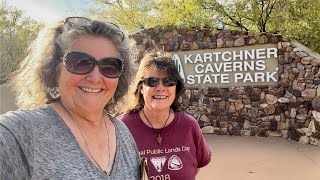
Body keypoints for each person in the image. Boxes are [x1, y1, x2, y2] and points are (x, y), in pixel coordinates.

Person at [0, 17, 141, 179]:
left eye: (109, 66)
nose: (95, 78)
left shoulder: (122, 133)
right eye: (80, 62)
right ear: (54, 69)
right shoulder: (18, 135)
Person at [118, 51, 212, 180]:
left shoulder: (189, 126)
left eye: (168, 81)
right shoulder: (121, 128)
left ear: (176, 87)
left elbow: (194, 169)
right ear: (141, 87)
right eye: (152, 81)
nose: (160, 88)